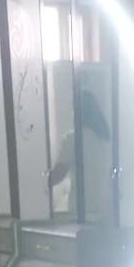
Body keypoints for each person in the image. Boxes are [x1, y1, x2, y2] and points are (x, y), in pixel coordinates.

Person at [49, 89, 112, 220]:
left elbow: (58, 174)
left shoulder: (73, 138)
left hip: (81, 211)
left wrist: (41, 180)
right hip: (105, 211)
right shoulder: (105, 139)